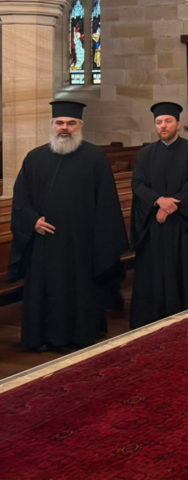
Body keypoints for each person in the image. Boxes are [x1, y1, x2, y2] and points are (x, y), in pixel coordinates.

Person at [9, 100, 128, 351]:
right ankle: (41, 337)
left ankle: (79, 335)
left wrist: (100, 242)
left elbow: (107, 202)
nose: (65, 128)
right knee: (46, 291)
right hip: (44, 244)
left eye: (71, 123)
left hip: (81, 245)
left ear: (80, 125)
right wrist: (33, 221)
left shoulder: (95, 158)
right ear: (52, 125)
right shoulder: (35, 157)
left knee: (79, 290)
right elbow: (21, 198)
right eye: (60, 123)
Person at [129, 101, 188, 328]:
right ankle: (154, 317)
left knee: (184, 273)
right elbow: (137, 184)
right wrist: (158, 201)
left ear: (178, 124)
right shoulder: (146, 153)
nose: (163, 126)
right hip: (154, 226)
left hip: (185, 225)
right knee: (155, 273)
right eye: (159, 122)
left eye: (168, 121)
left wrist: (170, 207)